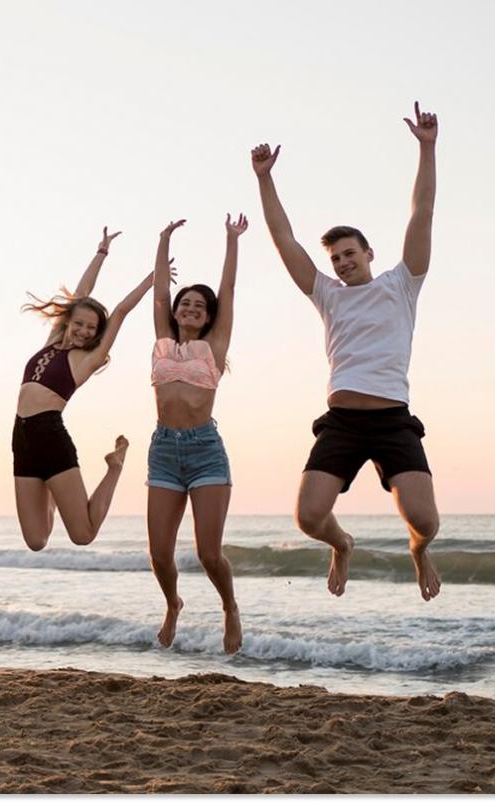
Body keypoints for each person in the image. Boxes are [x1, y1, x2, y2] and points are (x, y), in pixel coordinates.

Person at [251, 101, 442, 601]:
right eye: (335, 258)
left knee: (426, 521)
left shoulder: (402, 284)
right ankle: (342, 543)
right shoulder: (327, 294)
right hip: (343, 421)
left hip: (392, 419)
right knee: (309, 516)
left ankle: (418, 549)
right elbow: (283, 238)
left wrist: (427, 149)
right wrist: (265, 179)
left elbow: (422, 211)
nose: (341, 263)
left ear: (369, 253)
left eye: (349, 254)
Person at [14, 227, 157, 551]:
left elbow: (120, 311)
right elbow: (82, 292)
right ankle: (54, 490)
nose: (83, 330)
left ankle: (115, 467)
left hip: (51, 437)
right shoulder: (52, 341)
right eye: (79, 323)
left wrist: (152, 279)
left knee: (83, 535)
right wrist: (101, 253)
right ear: (68, 321)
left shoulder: (88, 359)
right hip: (20, 438)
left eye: (91, 328)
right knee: (36, 540)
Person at [146, 215, 247, 654]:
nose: (190, 308)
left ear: (208, 317)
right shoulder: (162, 342)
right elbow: (159, 292)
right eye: (184, 303)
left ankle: (229, 606)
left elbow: (229, 290)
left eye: (198, 306)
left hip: (205, 451)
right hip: (164, 451)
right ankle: (173, 603)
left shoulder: (214, 346)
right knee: (159, 554)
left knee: (208, 553)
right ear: (176, 311)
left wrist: (231, 239)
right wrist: (163, 240)